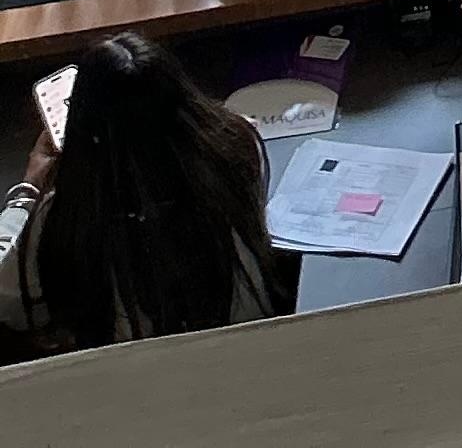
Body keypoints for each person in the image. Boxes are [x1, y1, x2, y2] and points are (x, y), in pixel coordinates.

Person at [0, 31, 286, 352]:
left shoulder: (68, 216)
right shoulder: (239, 149)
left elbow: (7, 300)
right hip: (249, 349)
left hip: (139, 372)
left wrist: (27, 193)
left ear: (84, 125)